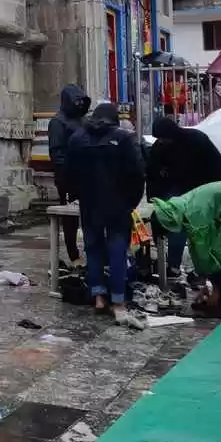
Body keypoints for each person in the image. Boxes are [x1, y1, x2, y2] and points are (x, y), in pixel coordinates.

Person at [65, 102, 145, 322]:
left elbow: (68, 173)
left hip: (90, 204)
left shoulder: (77, 139)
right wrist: (132, 202)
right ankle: (118, 300)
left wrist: (77, 195)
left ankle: (99, 296)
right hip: (118, 205)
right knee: (118, 250)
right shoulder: (124, 139)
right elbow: (137, 173)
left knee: (93, 249)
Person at [146, 115, 221, 276]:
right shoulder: (160, 147)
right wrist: (154, 198)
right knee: (168, 223)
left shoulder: (196, 141)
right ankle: (170, 264)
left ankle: (181, 266)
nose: (161, 141)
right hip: (178, 191)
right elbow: (152, 173)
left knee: (187, 227)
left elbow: (216, 168)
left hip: (202, 190)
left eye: (163, 138)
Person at [152, 181, 221, 311]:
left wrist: (212, 285)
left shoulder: (194, 213)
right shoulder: (179, 208)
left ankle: (220, 297)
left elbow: (205, 252)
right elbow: (197, 248)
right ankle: (220, 297)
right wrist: (207, 282)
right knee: (220, 253)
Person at [47, 84, 90, 265]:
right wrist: (67, 174)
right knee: (69, 217)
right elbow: (57, 154)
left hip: (86, 175)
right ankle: (73, 254)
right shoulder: (58, 122)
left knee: (89, 214)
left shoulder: (82, 121)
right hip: (68, 178)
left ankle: (91, 250)